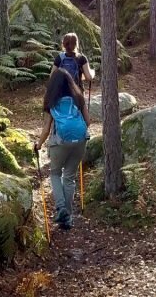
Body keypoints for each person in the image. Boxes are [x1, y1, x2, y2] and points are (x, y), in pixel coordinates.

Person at [34, 68, 89, 230]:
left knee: (55, 173)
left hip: (60, 142)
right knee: (70, 177)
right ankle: (68, 218)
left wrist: (38, 145)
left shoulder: (52, 101)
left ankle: (61, 208)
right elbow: (89, 121)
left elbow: (45, 129)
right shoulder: (78, 98)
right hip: (80, 141)